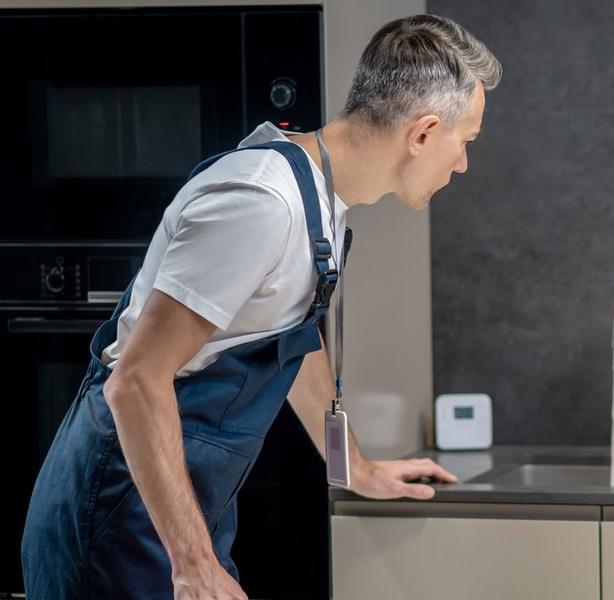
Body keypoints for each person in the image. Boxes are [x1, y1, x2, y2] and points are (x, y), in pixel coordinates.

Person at [21, 14, 500, 599]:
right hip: (117, 513)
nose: (463, 165)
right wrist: (193, 563)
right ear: (423, 134)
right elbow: (137, 381)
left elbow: (294, 340)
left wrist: (353, 468)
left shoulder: (322, 199)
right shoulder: (262, 202)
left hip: (180, 506)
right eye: (465, 142)